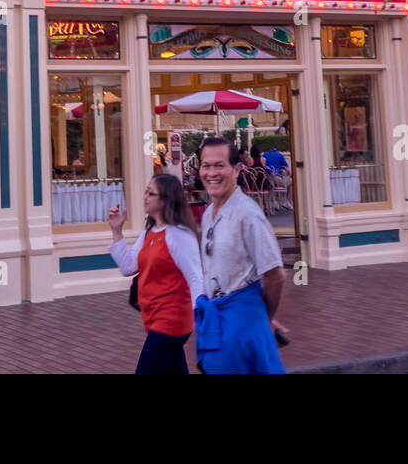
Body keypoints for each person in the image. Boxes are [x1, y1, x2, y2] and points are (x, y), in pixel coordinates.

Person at [195, 137, 286, 373]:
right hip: (218, 318)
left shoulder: (248, 215)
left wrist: (263, 316)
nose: (211, 173)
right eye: (206, 165)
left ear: (236, 169)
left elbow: (275, 274)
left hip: (241, 324)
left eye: (219, 165)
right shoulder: (207, 214)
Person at [108, 174, 204, 374]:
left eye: (151, 194)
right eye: (146, 191)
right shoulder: (150, 231)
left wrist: (201, 319)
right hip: (152, 316)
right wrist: (117, 231)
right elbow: (128, 267)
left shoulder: (179, 235)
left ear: (166, 200)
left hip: (172, 318)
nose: (145, 197)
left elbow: (196, 277)